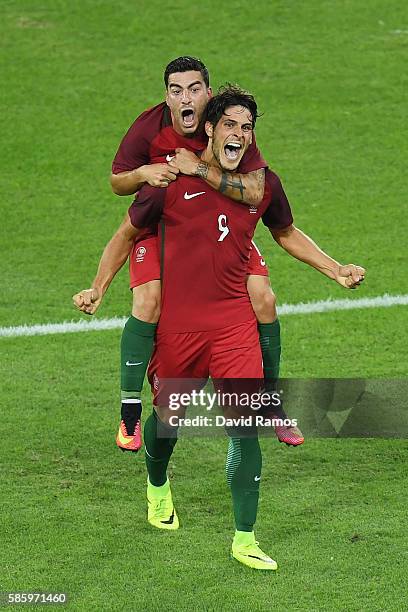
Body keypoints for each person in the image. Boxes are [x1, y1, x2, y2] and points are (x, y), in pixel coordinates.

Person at [73, 85, 365, 570]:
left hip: (233, 329)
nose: (239, 134)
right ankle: (158, 484)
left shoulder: (261, 185)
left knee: (244, 430)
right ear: (209, 128)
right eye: (230, 124)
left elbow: (286, 232)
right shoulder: (169, 183)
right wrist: (98, 287)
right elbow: (125, 233)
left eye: (247, 128)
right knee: (168, 426)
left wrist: (334, 269)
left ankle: (245, 538)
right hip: (179, 331)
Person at [78, 56, 302, 451]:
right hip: (162, 224)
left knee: (264, 297)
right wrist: (144, 174)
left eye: (194, 89)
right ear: (166, 96)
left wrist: (199, 170)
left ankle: (269, 404)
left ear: (208, 93)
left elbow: (254, 190)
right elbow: (117, 183)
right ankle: (130, 413)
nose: (187, 98)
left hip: (219, 226)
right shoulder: (149, 128)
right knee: (148, 301)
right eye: (177, 90)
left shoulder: (227, 126)